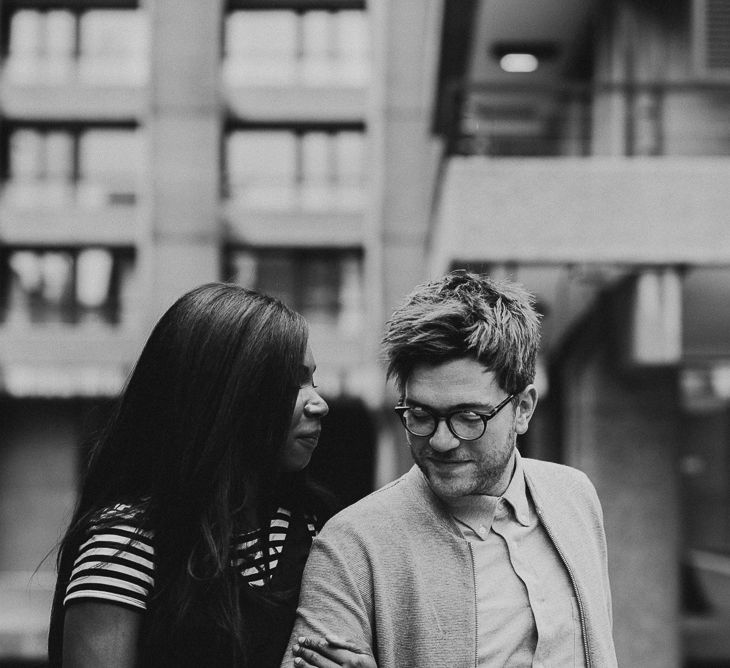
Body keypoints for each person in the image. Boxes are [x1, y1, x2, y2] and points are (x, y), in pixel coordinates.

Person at [285, 271, 617, 668]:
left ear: (523, 409)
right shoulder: (351, 547)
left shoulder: (574, 496)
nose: (441, 441)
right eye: (421, 414)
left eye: (468, 416)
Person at [48, 283, 369, 667]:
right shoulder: (127, 545)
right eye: (293, 383)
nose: (319, 404)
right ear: (229, 394)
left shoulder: (318, 529)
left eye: (312, 381)